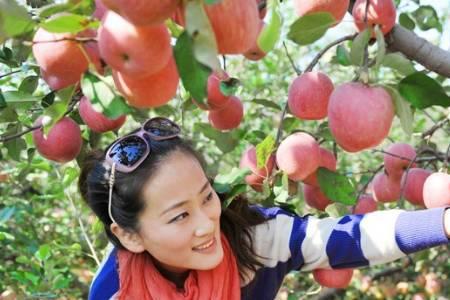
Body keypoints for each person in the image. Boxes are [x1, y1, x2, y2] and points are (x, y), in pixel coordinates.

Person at [78, 117, 450, 300]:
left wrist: (443, 222)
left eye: (207, 197)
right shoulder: (114, 290)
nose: (207, 224)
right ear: (129, 235)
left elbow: (349, 238)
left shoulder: (254, 240)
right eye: (179, 216)